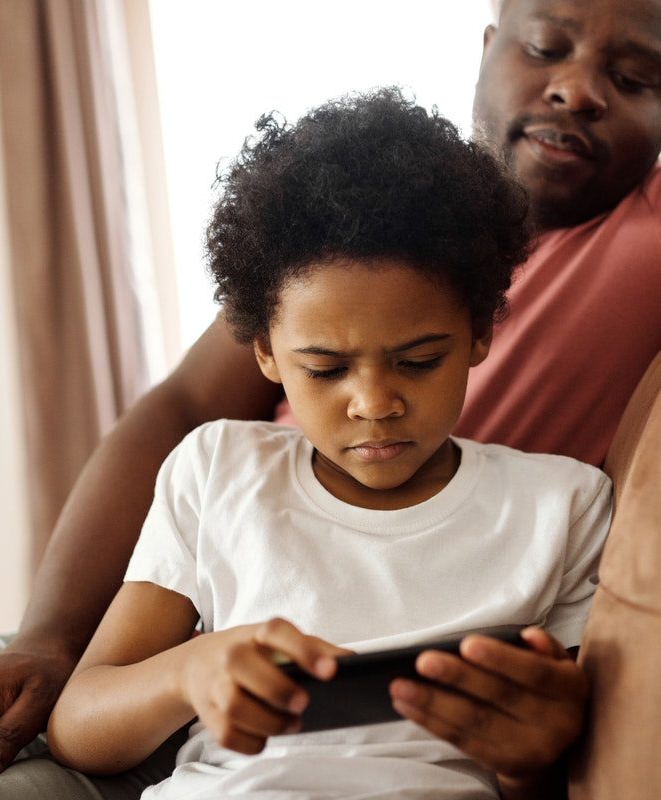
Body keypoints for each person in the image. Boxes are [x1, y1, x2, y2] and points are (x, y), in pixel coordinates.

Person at [0, 0, 661, 797]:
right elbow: (179, 410)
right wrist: (48, 639)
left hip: (313, 707)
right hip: (163, 620)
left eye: (633, 76)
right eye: (544, 46)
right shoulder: (334, 241)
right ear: (487, 47)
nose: (577, 86)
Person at [45, 87, 611, 800]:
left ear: (477, 334)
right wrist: (190, 671)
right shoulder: (218, 471)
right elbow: (77, 728)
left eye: (418, 361)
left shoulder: (563, 505)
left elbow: (561, 773)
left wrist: (529, 760)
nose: (375, 404)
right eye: (325, 369)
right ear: (266, 353)